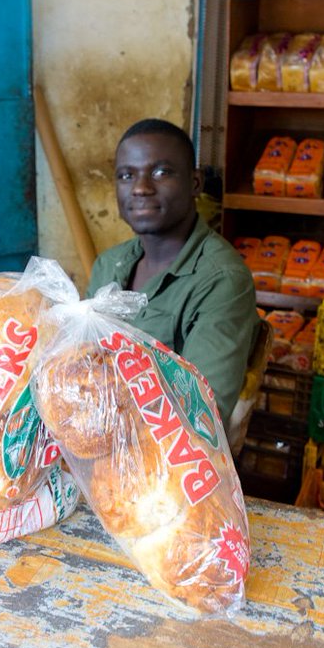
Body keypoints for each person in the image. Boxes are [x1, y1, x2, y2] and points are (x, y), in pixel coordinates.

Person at [88, 118, 260, 433]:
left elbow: (200, 414)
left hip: (167, 461)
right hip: (94, 434)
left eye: (161, 172)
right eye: (127, 175)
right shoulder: (108, 265)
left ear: (195, 183)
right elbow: (81, 363)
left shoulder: (222, 281)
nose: (140, 188)